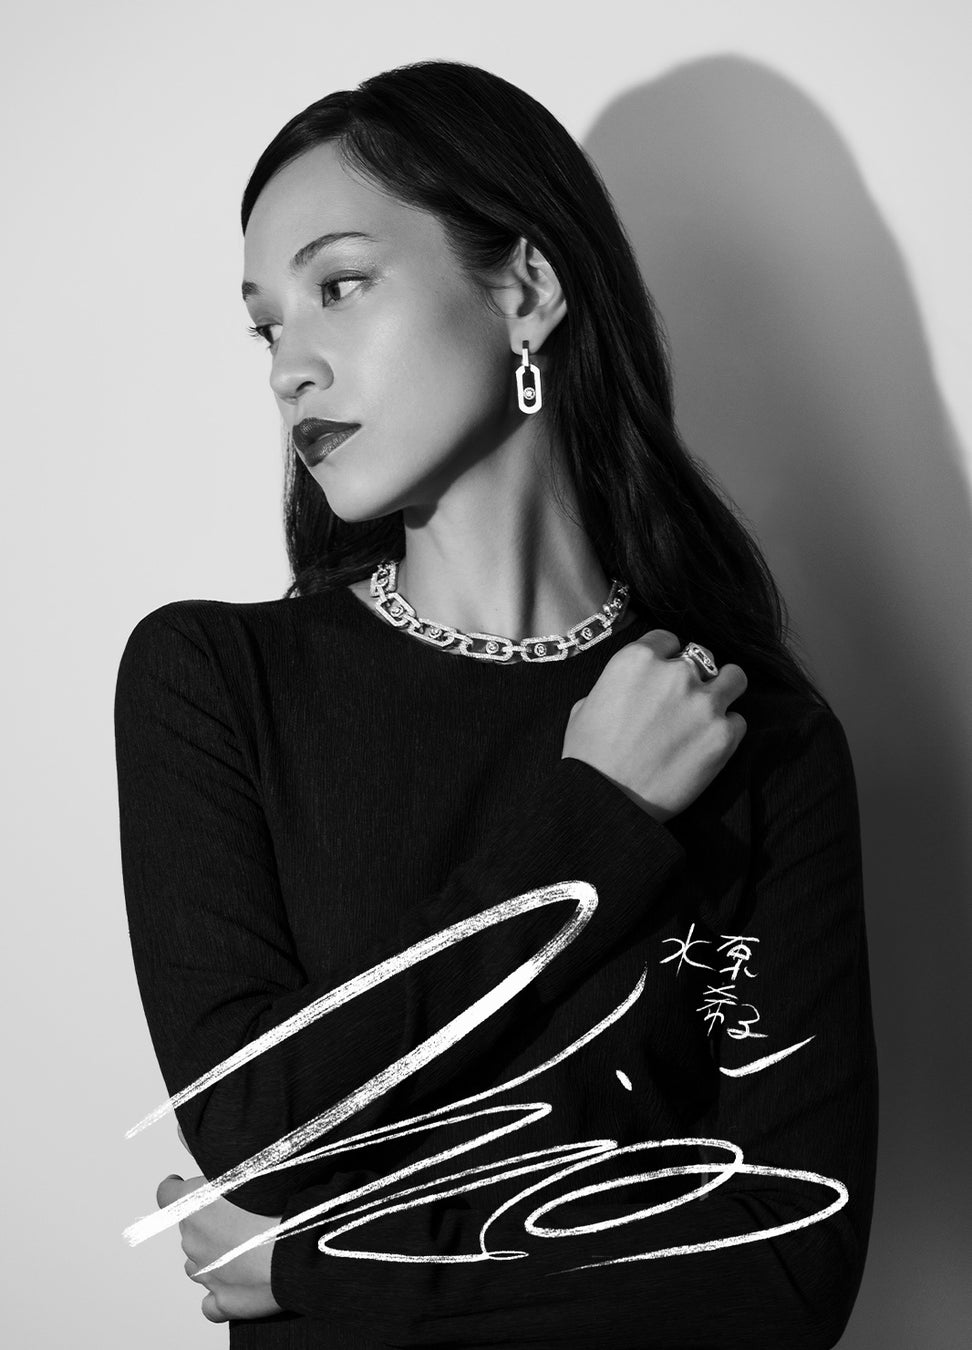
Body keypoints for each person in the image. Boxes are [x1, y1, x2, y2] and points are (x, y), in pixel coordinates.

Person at [114, 59, 878, 1350]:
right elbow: (261, 1134)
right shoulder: (214, 683)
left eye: (339, 286)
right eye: (266, 326)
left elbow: (788, 1273)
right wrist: (598, 818)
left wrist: (325, 1267)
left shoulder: (754, 736)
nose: (290, 368)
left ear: (525, 290)